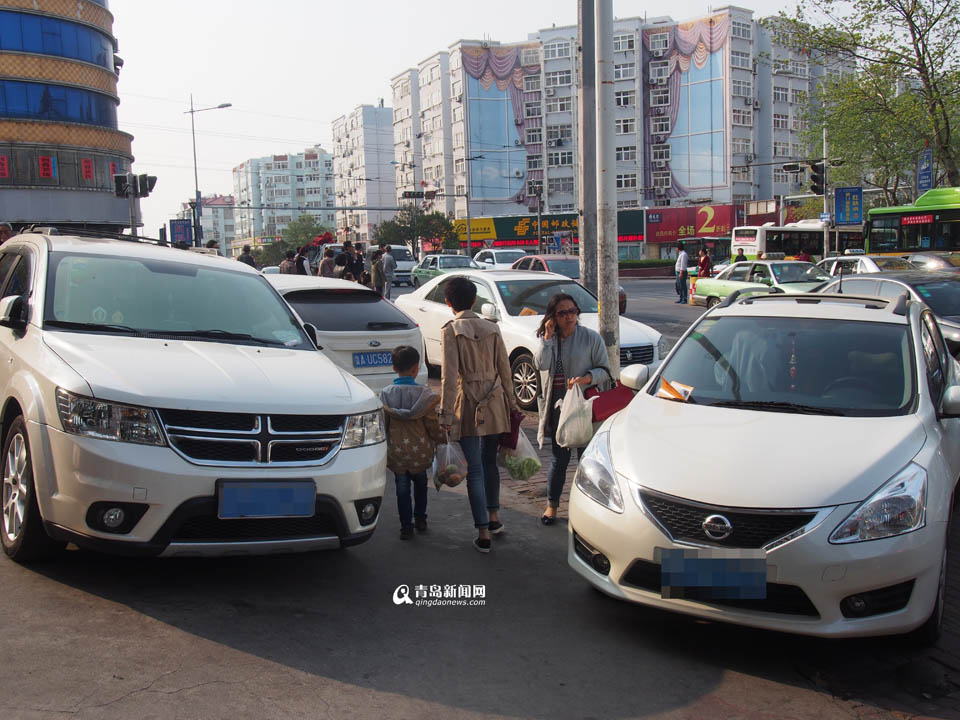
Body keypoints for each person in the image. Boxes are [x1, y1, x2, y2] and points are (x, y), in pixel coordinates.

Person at [439, 277, 516, 553]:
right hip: (494, 402)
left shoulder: (451, 330)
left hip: (468, 403)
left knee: (474, 469)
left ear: (448, 303)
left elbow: (449, 378)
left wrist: (445, 415)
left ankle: (483, 532)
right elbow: (505, 369)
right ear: (474, 300)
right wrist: (512, 403)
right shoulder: (492, 328)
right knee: (489, 462)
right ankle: (494, 518)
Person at [535, 293, 611, 525]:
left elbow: (605, 371)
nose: (569, 317)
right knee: (559, 460)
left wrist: (586, 379)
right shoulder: (550, 339)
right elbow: (541, 364)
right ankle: (552, 506)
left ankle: (588, 508)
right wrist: (547, 337)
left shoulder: (590, 338)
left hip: (585, 407)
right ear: (553, 317)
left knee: (586, 460)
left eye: (572, 311)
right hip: (558, 407)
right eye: (562, 313)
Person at [380, 346, 444, 540]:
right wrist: (441, 439)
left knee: (402, 490)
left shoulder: (386, 395)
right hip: (420, 453)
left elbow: (383, 425)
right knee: (421, 485)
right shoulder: (425, 396)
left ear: (394, 368)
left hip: (397, 453)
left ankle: (406, 527)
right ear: (416, 369)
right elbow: (432, 424)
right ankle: (420, 518)